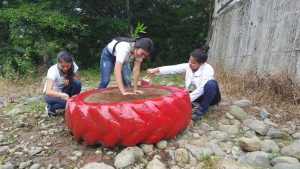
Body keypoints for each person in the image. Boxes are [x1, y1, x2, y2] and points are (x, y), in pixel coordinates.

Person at [147, 45, 221, 121]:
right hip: (197, 96)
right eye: (190, 60)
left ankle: (200, 111)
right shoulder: (189, 66)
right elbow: (172, 68)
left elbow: (202, 88)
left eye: (193, 63)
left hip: (210, 97)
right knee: (179, 91)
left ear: (200, 64)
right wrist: (156, 70)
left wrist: (187, 99)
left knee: (211, 84)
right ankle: (191, 104)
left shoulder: (208, 69)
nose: (190, 64)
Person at [43, 50, 81, 116]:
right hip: (52, 94)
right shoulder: (52, 71)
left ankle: (72, 104)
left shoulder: (72, 64)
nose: (65, 68)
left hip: (64, 89)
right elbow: (48, 92)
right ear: (58, 63)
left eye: (68, 66)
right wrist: (61, 95)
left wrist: (69, 78)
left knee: (77, 83)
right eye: (63, 66)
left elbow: (78, 78)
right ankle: (50, 108)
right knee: (67, 102)